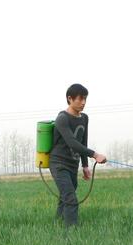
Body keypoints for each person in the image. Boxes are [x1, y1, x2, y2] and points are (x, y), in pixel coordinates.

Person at [50, 83, 106, 227]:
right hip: (59, 164)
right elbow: (72, 143)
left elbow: (83, 141)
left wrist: (85, 165)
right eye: (80, 99)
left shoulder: (84, 118)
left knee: (65, 196)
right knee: (71, 199)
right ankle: (71, 232)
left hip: (72, 165)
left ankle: (57, 223)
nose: (83, 103)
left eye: (85, 99)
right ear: (70, 98)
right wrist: (95, 154)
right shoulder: (62, 118)